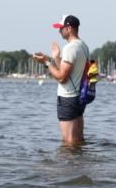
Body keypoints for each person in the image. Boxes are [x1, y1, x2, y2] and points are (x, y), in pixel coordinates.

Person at [33, 14, 89, 145]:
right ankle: (79, 164)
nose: (59, 31)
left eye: (61, 28)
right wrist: (56, 58)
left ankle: (68, 165)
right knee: (78, 139)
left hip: (68, 98)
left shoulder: (70, 48)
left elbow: (62, 78)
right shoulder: (83, 45)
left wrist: (47, 62)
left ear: (69, 28)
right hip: (79, 97)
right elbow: (67, 73)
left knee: (68, 141)